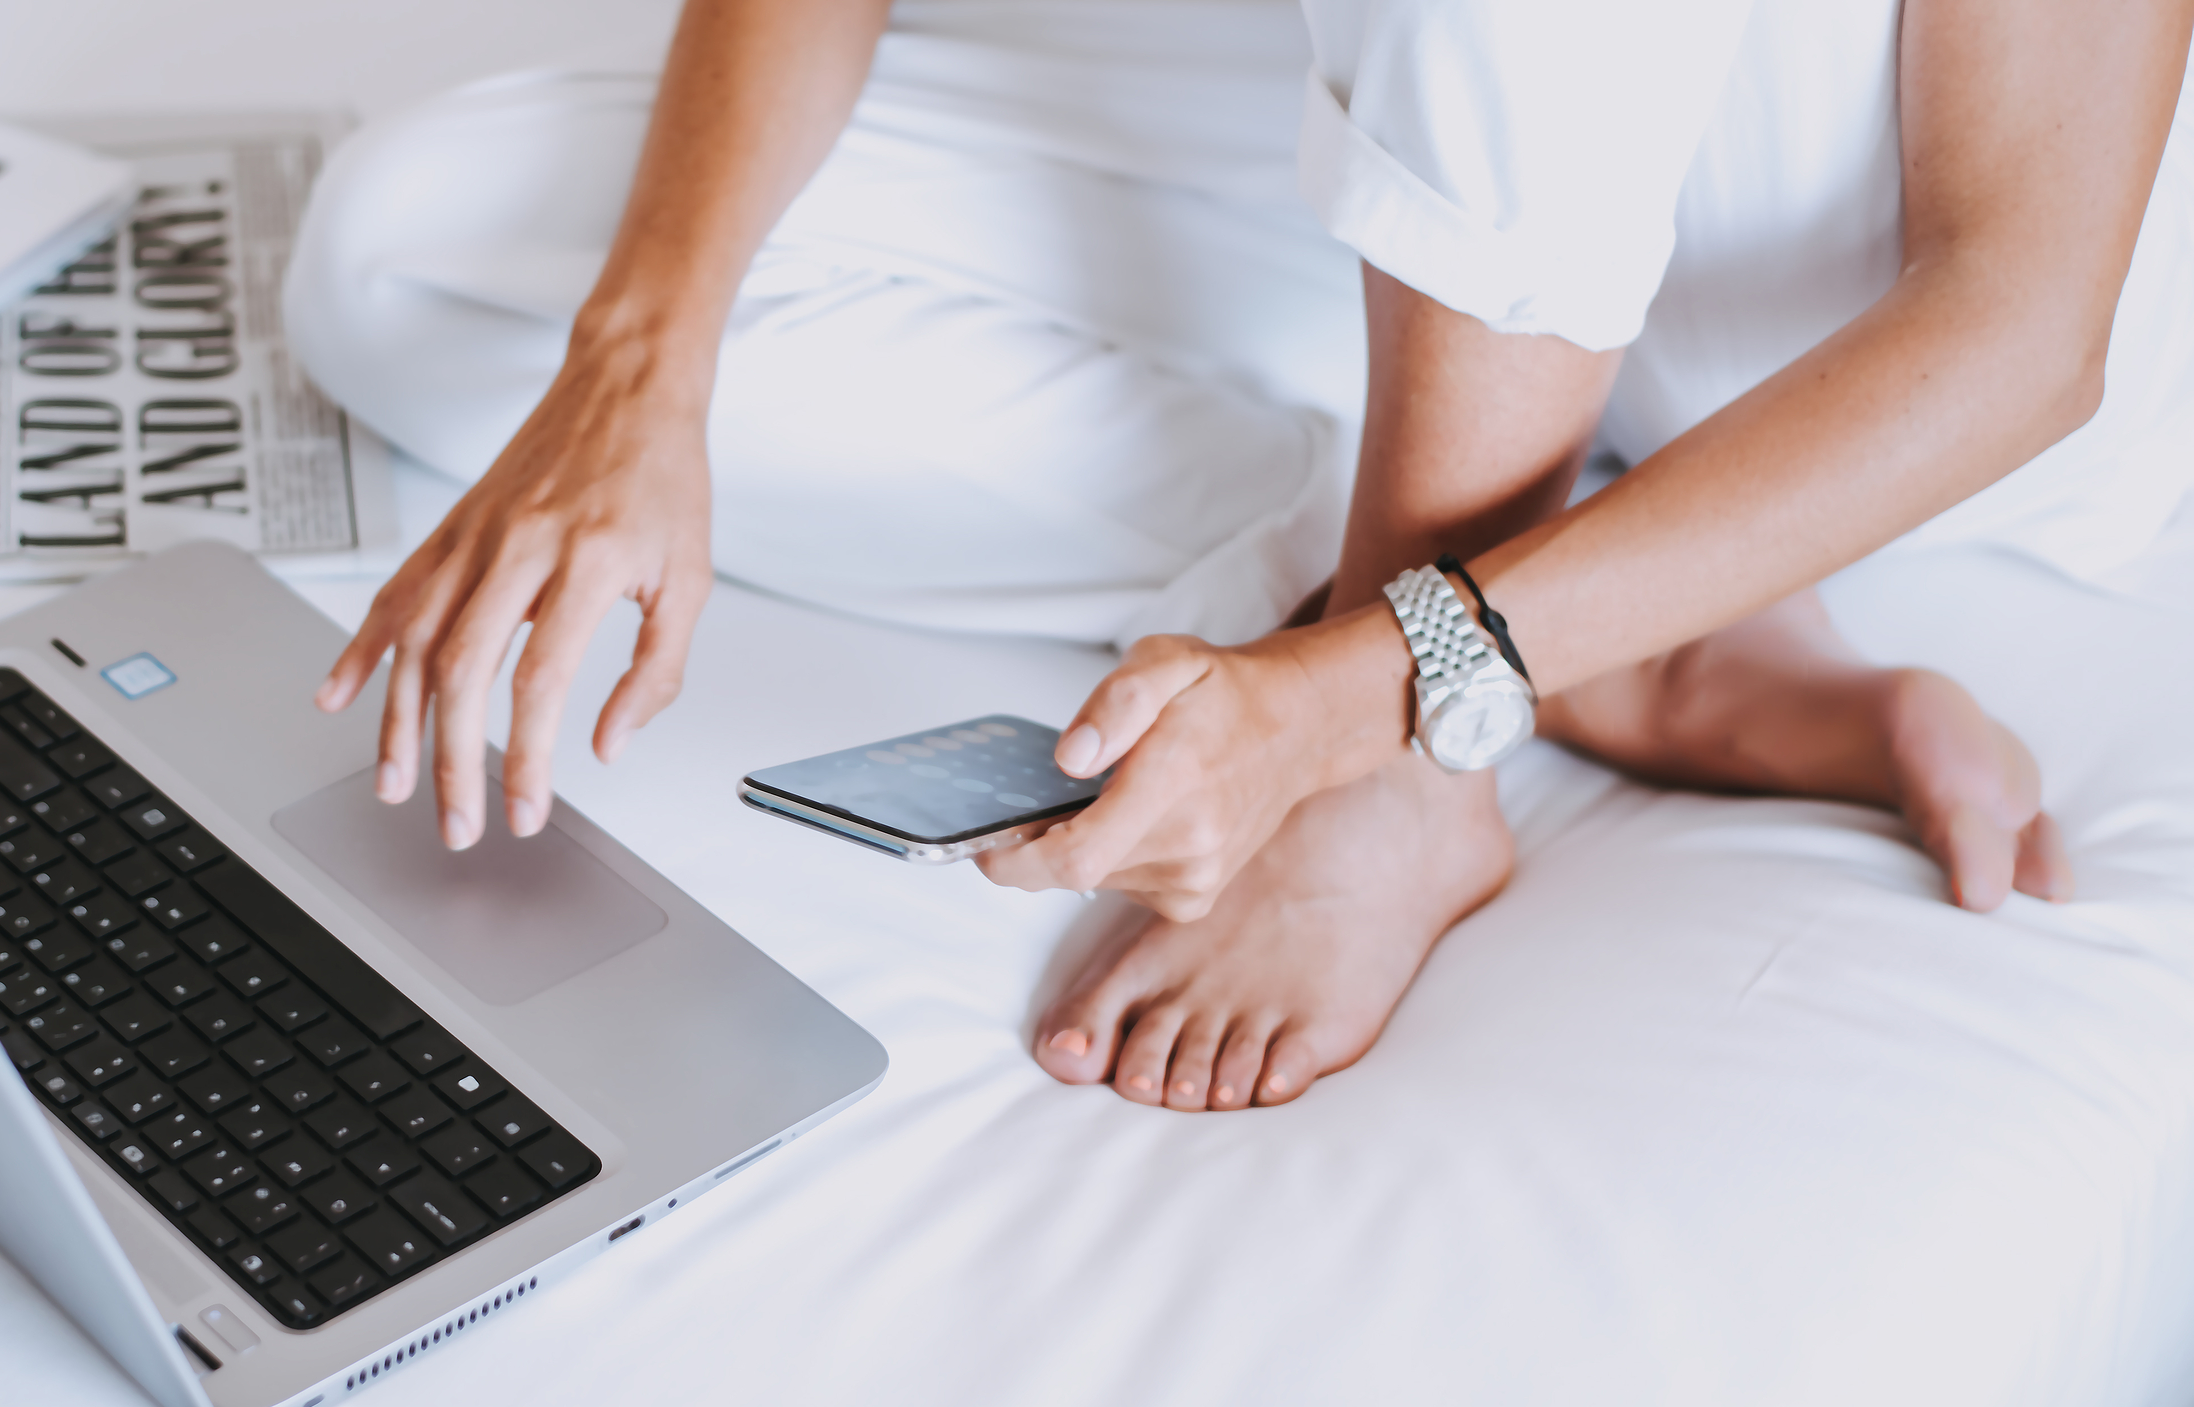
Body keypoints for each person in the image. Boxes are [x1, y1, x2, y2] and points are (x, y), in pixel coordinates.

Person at [285, 0, 2194, 1111]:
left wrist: (1360, 705)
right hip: (1449, 176)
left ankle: (1431, 706)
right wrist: (646, 359)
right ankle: (1578, 571)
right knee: (419, 254)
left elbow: (2024, 326)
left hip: (1883, 305)